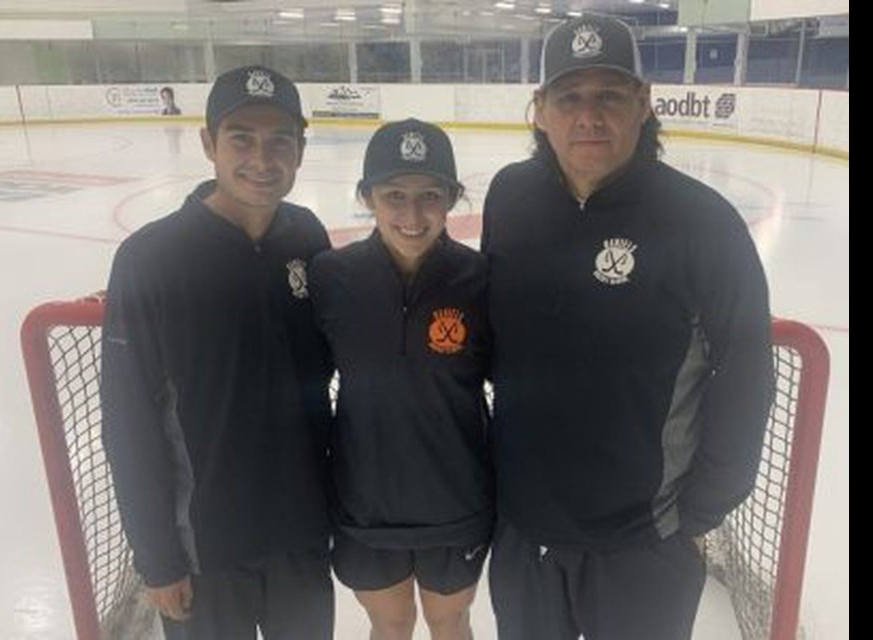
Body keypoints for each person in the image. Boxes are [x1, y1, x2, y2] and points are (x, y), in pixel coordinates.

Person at [480, 13, 774, 640]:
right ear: (540, 109)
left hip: (644, 545)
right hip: (526, 537)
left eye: (609, 96)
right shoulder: (508, 198)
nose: (589, 116)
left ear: (643, 104)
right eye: (570, 98)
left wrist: (700, 509)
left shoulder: (703, 223)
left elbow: (746, 372)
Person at [101, 65, 334, 640]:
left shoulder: (306, 237)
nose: (263, 158)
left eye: (281, 140)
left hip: (300, 539)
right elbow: (127, 422)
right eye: (241, 139)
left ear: (301, 151)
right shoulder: (151, 258)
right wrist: (157, 558)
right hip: (204, 550)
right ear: (208, 144)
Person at [309, 119, 493, 640]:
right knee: (390, 624)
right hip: (364, 503)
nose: (412, 215)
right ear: (367, 197)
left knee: (450, 621)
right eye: (394, 195)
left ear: (453, 197)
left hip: (456, 502)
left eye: (430, 195)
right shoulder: (330, 277)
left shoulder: (481, 280)